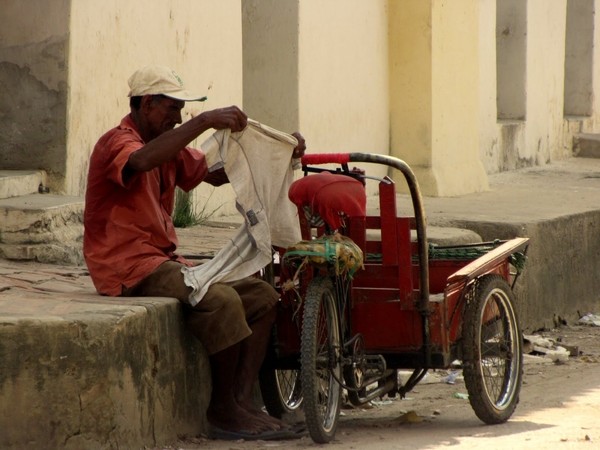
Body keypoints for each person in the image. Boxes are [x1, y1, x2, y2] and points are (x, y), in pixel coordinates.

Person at [83, 65, 306, 440]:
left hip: (161, 261)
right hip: (126, 266)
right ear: (147, 103)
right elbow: (139, 161)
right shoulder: (117, 143)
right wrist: (203, 121)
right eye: (171, 109)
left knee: (263, 296)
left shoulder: (166, 145)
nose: (177, 118)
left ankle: (240, 402)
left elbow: (214, 173)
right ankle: (222, 410)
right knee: (220, 300)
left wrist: (278, 149)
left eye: (182, 111)